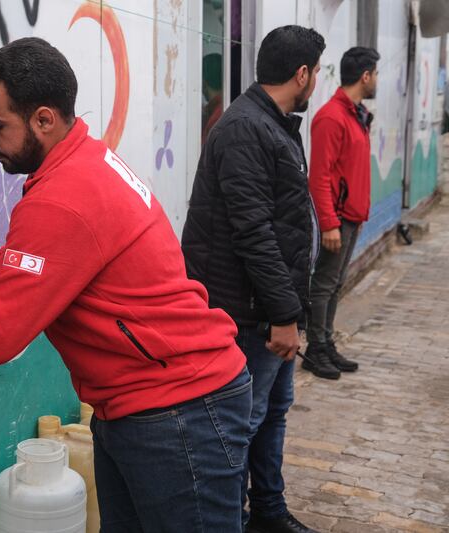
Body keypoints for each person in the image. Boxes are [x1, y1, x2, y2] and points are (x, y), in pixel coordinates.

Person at [0, 37, 252, 532]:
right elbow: (17, 262)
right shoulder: (81, 162)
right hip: (144, 408)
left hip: (177, 410)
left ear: (44, 119)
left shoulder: (61, 199)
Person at [181, 26, 325, 533]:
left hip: (268, 305)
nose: (317, 82)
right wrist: (283, 315)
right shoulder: (246, 128)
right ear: (302, 74)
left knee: (273, 412)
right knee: (241, 424)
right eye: (317, 72)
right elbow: (254, 233)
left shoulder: (274, 124)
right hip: (245, 312)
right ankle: (234, 521)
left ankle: (268, 510)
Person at [304, 47, 379, 379]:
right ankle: (315, 349)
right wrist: (329, 223)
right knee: (323, 284)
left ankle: (326, 342)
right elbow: (319, 176)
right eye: (375, 74)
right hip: (336, 219)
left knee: (335, 284)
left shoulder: (356, 115)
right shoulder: (331, 117)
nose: (377, 80)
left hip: (352, 217)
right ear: (365, 76)